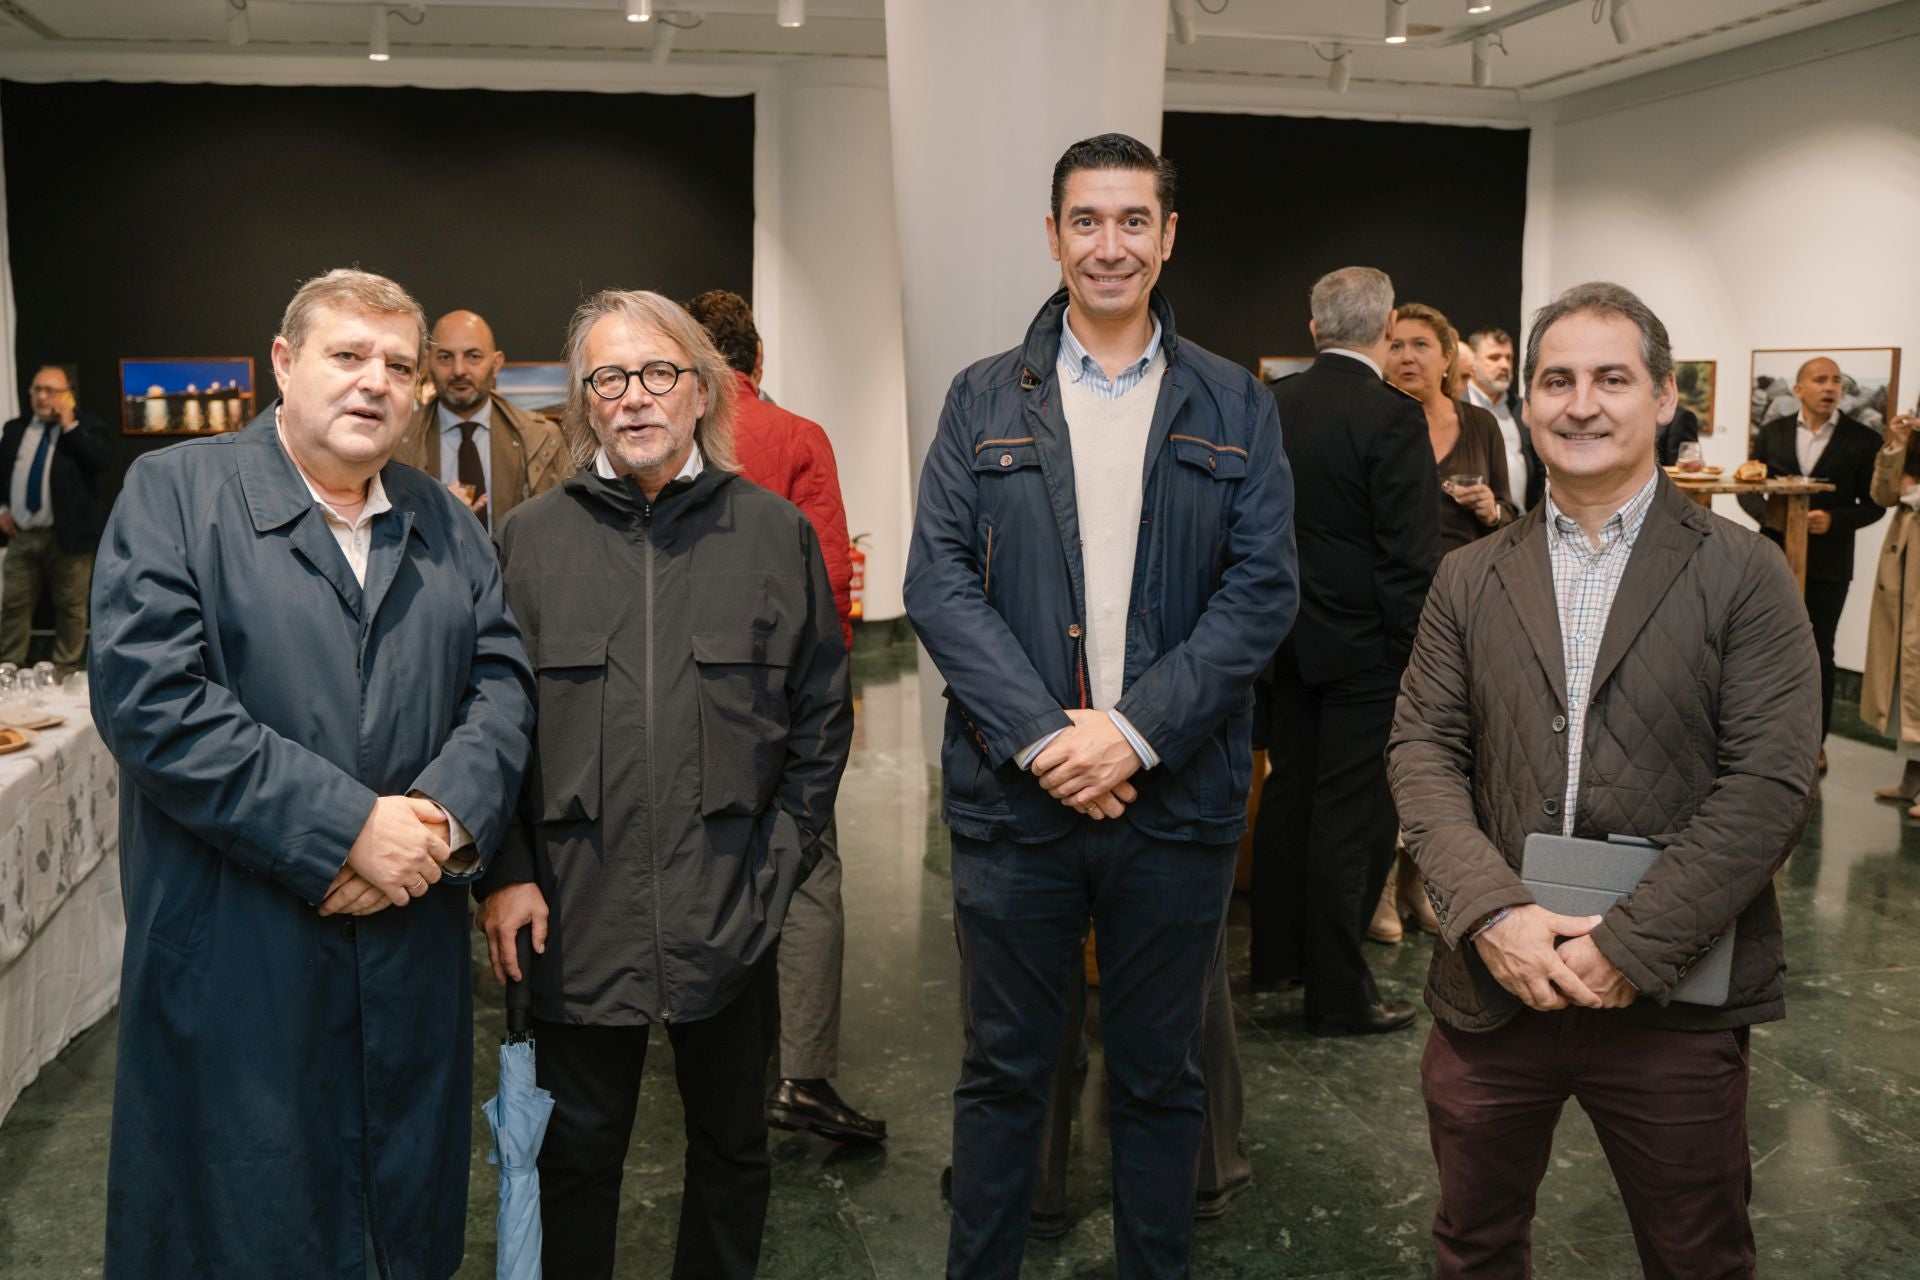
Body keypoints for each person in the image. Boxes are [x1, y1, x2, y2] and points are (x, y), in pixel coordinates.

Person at [88, 268, 536, 1279]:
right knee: (243, 1224)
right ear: (284, 364)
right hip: (237, 955)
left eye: (398, 364)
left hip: (407, 949)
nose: (374, 381)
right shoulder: (174, 494)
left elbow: (501, 680)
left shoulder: (444, 520)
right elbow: (152, 699)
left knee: (400, 1222)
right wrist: (344, 827)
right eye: (347, 355)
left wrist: (435, 814)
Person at [903, 132, 1296, 1279]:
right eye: (1087, 220)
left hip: (1173, 802)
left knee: (1161, 1074)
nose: (1110, 244)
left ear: (1167, 237)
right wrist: (1044, 736)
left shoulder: (1236, 401)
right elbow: (938, 581)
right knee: (1002, 1072)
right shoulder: (982, 398)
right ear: (1054, 235)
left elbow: (1262, 589)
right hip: (1015, 802)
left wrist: (1129, 733)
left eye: (1134, 221)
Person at [1388, 281, 1820, 1279]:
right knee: (1476, 1244)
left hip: (1671, 994)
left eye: (1611, 378)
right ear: (1526, 404)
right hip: (1494, 987)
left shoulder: (1743, 574)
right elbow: (1421, 751)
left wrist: (1630, 943)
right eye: (1557, 380)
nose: (1581, 403)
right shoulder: (1469, 577)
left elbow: (1768, 782)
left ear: (1664, 399)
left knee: (1698, 1254)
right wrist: (1491, 913)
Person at [473, 288, 852, 1280]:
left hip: (731, 906)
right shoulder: (527, 543)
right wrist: (504, 869)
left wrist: (779, 865)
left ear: (699, 391)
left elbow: (820, 717)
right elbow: (489, 727)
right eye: (609, 377)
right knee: (577, 1159)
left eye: (658, 373)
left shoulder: (773, 535)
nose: (635, 397)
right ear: (583, 401)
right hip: (574, 911)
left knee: (733, 1153)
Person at [682, 286, 885, 1146]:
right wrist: (830, 703)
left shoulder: (669, 431)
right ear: (758, 362)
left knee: (699, 858)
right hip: (777, 698)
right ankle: (802, 1077)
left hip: (678, 699)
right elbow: (829, 581)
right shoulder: (797, 438)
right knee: (808, 873)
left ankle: (712, 1046)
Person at [1248, 265, 1440, 1039]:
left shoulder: (1268, 405)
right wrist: (1414, 654)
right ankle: (1337, 993)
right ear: (1387, 327)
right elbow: (1409, 557)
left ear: (1313, 326)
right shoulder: (1393, 417)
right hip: (1367, 652)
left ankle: (1276, 957)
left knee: (1289, 794)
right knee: (1352, 815)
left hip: (1281, 640)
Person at [1740, 356, 1884, 771]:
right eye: (1820, 379)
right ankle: (1762, 739)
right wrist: (1773, 518)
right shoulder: (1772, 433)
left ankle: (1813, 744)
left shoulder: (1862, 440)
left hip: (1830, 564)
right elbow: (1748, 488)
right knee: (1764, 649)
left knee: (1819, 651)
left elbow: (1875, 505)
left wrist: (1834, 520)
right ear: (1798, 389)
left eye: (1836, 380)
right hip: (1772, 558)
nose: (1830, 386)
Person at [393, 309, 567, 528]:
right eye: (445, 357)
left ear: (496, 364)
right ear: (428, 363)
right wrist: (433, 513)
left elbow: (564, 526)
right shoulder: (395, 441)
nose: (458, 370)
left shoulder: (543, 439)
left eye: (473, 356)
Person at [0, 364, 111, 673]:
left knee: (72, 607)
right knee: (13, 606)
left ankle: (67, 670)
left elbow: (100, 461)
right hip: (22, 533)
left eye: (51, 390)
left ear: (68, 395)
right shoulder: (15, 428)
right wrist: (2, 509)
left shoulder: (87, 426)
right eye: (37, 389)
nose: (42, 396)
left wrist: (69, 425)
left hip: (69, 536)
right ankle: (8, 671)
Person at [1393, 304, 1515, 553]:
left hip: (1466, 582)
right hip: (1392, 584)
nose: (1407, 357)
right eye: (1396, 346)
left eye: (1420, 345)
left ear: (1447, 358)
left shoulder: (1481, 424)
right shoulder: (1370, 424)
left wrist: (1491, 511)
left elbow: (1507, 512)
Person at [1860, 408, 1920, 810]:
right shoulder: (1912, 439)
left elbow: (1905, 492)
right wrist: (1897, 446)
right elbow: (1883, 495)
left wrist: (1913, 492)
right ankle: (1912, 778)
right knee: (1904, 666)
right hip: (1904, 555)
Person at [1464, 327, 1543, 513]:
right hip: (1473, 526)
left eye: (1508, 358)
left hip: (1521, 524)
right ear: (1472, 363)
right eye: (1494, 358)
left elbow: (1537, 466)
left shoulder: (1522, 407)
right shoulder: (1456, 405)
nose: (1504, 365)